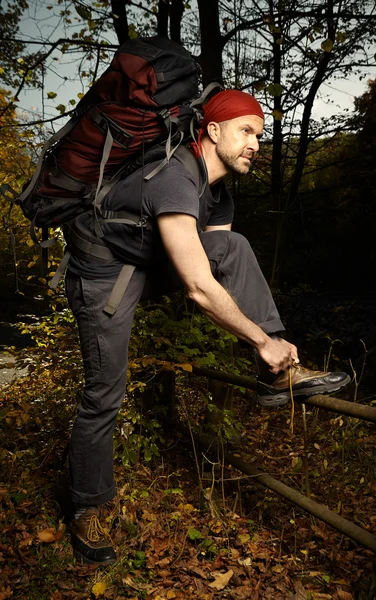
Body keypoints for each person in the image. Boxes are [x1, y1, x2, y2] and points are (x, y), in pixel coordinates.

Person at [64, 89, 350, 565]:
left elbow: (219, 266)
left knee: (233, 246)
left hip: (150, 261)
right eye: (246, 131)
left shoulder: (217, 194)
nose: (256, 143)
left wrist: (264, 339)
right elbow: (198, 287)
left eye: (260, 135)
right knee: (104, 393)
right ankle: (86, 507)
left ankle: (275, 374)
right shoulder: (176, 177)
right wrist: (258, 340)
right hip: (103, 276)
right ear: (213, 132)